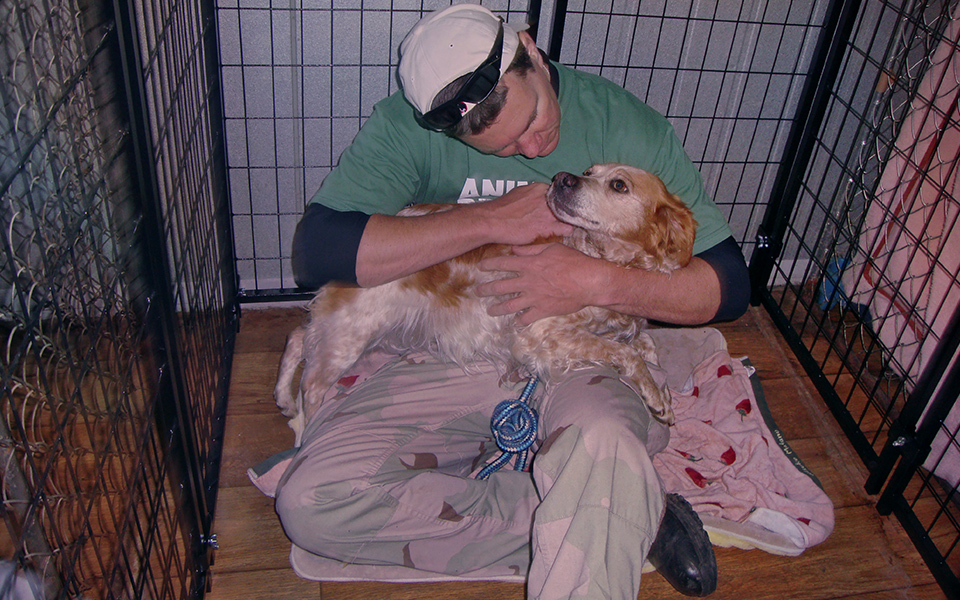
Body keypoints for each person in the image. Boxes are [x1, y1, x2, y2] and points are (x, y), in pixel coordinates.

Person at [275, 4, 750, 599]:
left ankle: (597, 499)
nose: (531, 147)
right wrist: (484, 220)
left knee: (602, 442)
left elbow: (729, 285)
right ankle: (618, 510)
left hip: (592, 354)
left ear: (531, 51)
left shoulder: (625, 123)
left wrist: (593, 282)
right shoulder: (408, 124)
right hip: (451, 347)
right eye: (503, 147)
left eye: (535, 118)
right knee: (312, 502)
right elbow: (317, 251)